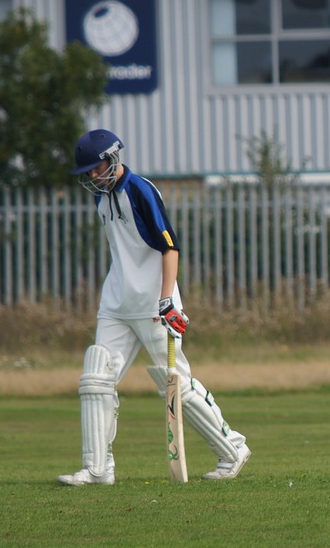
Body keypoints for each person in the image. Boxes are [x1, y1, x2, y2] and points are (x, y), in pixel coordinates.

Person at [58, 129, 251, 485]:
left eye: (95, 168)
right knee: (98, 379)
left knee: (177, 385)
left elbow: (170, 247)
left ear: (113, 158)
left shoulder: (141, 190)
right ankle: (98, 468)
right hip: (116, 304)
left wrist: (167, 300)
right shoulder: (101, 199)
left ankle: (232, 449)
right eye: (87, 171)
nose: (91, 176)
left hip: (153, 305)